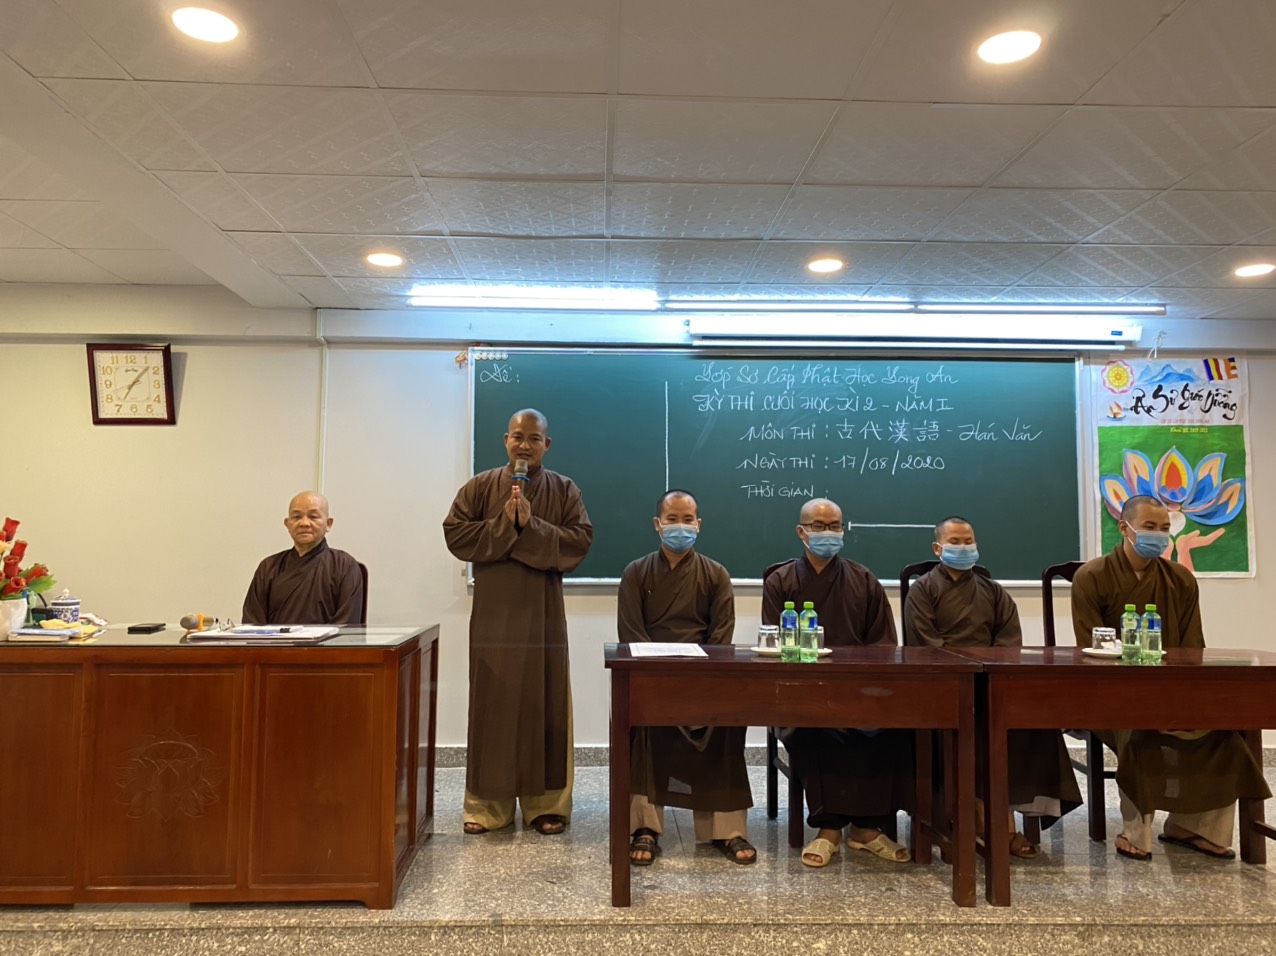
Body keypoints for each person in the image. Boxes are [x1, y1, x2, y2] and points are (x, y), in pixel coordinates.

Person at [1071, 494, 1270, 861]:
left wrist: (1184, 695)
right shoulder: (1092, 576)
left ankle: (1194, 827)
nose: (1159, 535)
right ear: (1124, 528)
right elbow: (1090, 648)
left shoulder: (1180, 579)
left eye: (1164, 528)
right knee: (1138, 730)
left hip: (1174, 689)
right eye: (1149, 527)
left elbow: (1193, 648)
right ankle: (1136, 834)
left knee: (1222, 730)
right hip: (1110, 694)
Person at [443, 409, 593, 836]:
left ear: (547, 444)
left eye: (534, 438)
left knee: (546, 702)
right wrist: (505, 525)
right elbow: (456, 534)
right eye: (517, 437)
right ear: (505, 440)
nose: (525, 445)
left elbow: (579, 541)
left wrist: (531, 526)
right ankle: (488, 807)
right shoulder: (479, 487)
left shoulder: (564, 489)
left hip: (543, 615)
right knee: (493, 704)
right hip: (493, 617)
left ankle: (546, 806)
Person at [905, 515, 1082, 858]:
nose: (963, 547)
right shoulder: (922, 590)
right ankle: (984, 824)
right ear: (937, 548)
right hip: (945, 689)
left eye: (968, 541)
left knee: (1035, 724)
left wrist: (987, 675)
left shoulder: (993, 591)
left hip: (991, 684)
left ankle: (1004, 818)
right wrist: (967, 673)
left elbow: (1009, 644)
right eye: (955, 542)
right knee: (974, 724)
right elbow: (926, 646)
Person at [762, 497, 912, 868]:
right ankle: (828, 829)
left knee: (891, 728)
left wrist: (860, 689)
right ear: (801, 532)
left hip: (859, 689)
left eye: (835, 526)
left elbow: (884, 646)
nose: (828, 533)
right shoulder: (781, 581)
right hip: (803, 691)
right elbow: (776, 646)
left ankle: (866, 829)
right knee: (815, 727)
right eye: (819, 526)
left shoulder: (864, 580)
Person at [617, 490, 755, 866]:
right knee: (644, 721)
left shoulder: (715, 574)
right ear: (657, 524)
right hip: (653, 678)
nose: (681, 526)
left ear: (699, 524)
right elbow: (631, 633)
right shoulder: (636, 572)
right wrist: (662, 678)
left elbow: (721, 637)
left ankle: (725, 829)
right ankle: (645, 827)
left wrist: (696, 679)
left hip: (703, 677)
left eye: (688, 519)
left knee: (726, 722)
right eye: (672, 519)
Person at [242, 490, 364, 625]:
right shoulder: (268, 567)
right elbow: (252, 622)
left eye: (313, 516)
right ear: (287, 524)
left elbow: (346, 625)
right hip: (275, 640)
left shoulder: (345, 566)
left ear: (328, 524)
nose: (304, 523)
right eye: (296, 517)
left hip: (328, 640)